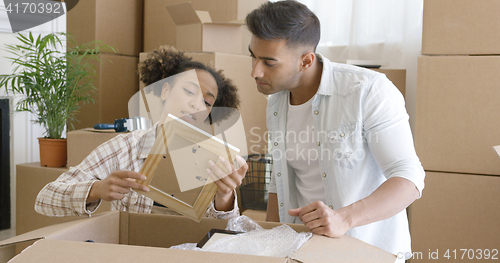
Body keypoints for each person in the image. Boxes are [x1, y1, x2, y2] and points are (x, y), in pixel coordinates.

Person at [245, 1, 425, 260]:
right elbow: (280, 179)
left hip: (368, 253)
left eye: (269, 62)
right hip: (304, 252)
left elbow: (409, 177)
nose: (255, 71)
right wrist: (271, 248)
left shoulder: (367, 90)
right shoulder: (276, 103)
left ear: (305, 61)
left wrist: (344, 218)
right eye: (253, 55)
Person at [35, 46, 247, 219]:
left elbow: (227, 231)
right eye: (189, 91)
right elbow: (44, 199)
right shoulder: (124, 148)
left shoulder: (214, 160)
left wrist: (224, 195)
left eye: (206, 102)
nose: (195, 104)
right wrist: (96, 189)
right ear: (165, 90)